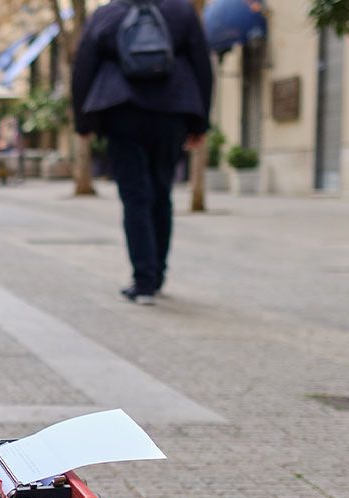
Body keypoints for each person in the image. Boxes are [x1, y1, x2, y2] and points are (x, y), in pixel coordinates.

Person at [71, 0, 213, 305]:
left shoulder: (107, 14)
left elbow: (83, 65)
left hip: (122, 110)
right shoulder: (182, 11)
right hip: (172, 111)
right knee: (161, 192)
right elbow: (202, 63)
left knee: (135, 196)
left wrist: (83, 121)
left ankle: (144, 281)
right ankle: (157, 275)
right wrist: (201, 122)